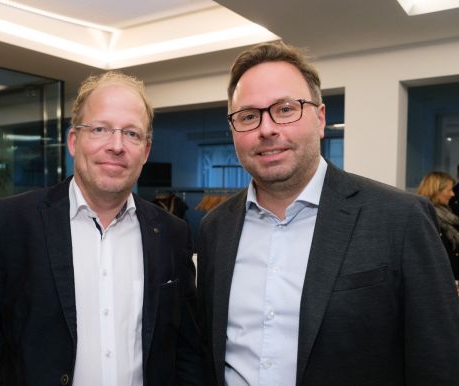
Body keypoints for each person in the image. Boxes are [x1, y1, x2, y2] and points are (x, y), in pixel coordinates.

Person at [196, 41, 459, 386]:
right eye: (248, 116)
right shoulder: (215, 229)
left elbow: (438, 363)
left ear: (320, 118)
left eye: (285, 109)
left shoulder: (401, 219)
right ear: (234, 131)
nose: (267, 129)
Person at [0, 71, 203, 386]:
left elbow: (188, 353)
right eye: (100, 129)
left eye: (132, 134)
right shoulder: (11, 223)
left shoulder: (172, 234)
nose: (116, 146)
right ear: (74, 141)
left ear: (145, 151)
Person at [418, 171, 459, 284]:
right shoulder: (425, 216)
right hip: (436, 282)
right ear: (436, 191)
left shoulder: (447, 212)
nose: (453, 194)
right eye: (449, 190)